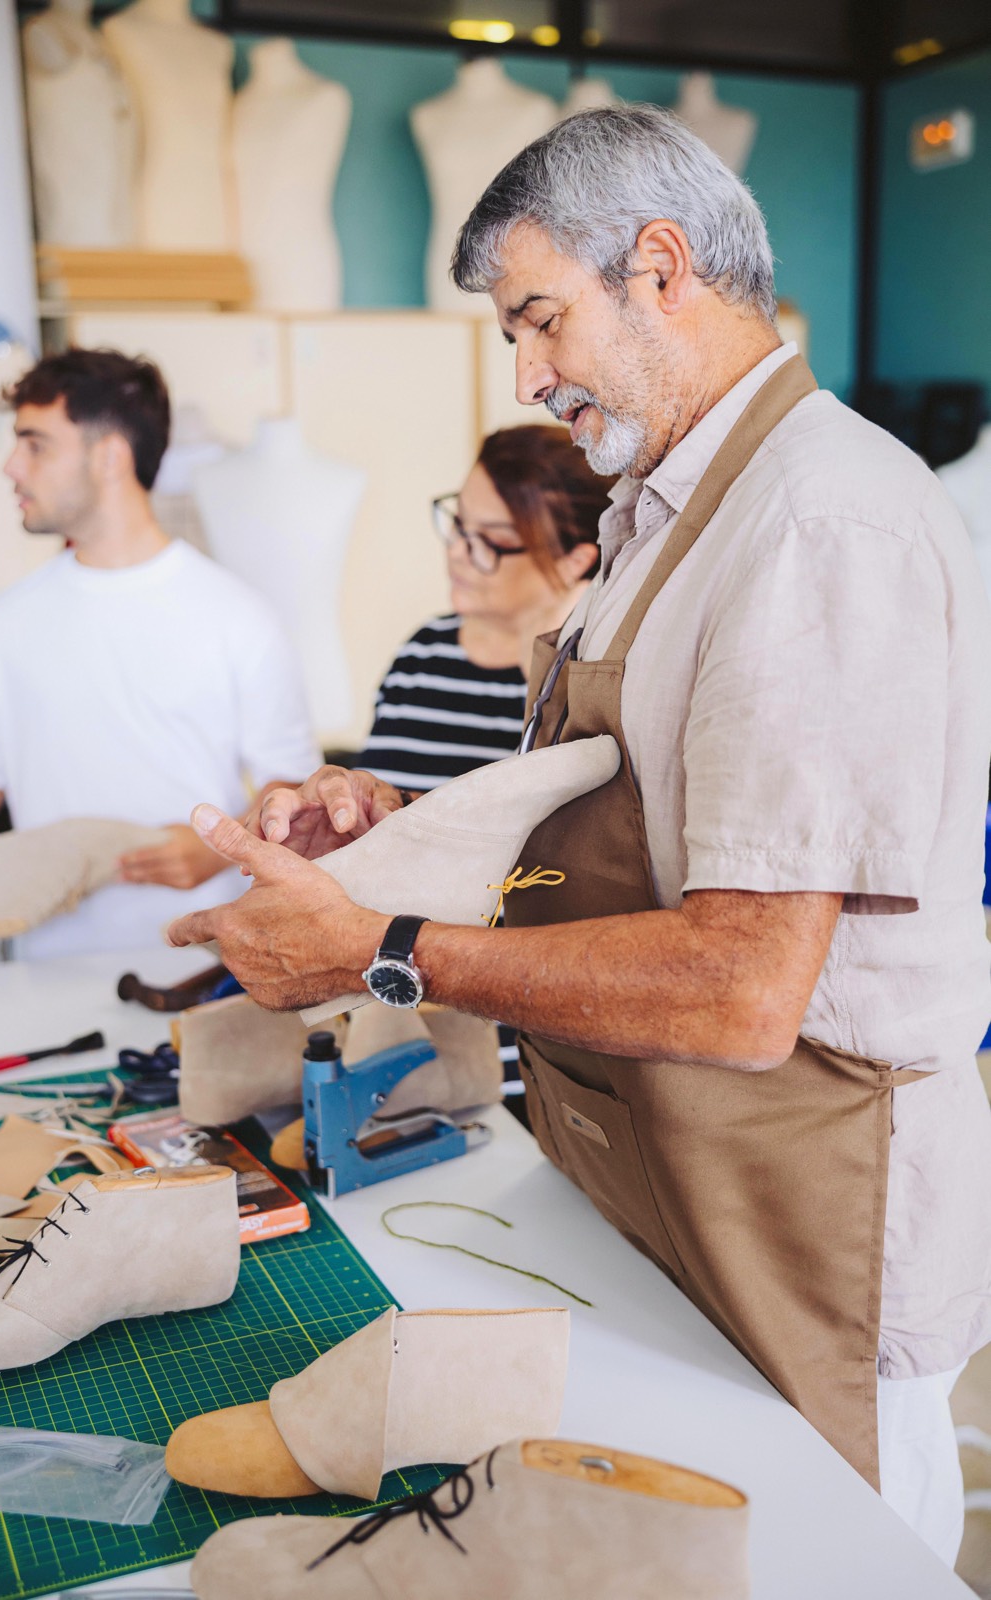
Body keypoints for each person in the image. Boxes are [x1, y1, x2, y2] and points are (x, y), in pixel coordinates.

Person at [165, 105, 991, 1566]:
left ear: (659, 268)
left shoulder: (816, 523)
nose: (527, 372)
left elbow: (743, 988)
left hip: (799, 1206)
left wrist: (384, 947)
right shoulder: (660, 517)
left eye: (537, 318)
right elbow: (611, 827)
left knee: (812, 1568)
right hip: (660, 1170)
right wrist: (397, 823)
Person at [0, 347, 319, 957]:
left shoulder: (237, 617)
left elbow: (289, 782)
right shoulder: (5, 624)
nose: (9, 466)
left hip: (200, 967)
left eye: (35, 444)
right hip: (42, 966)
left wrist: (219, 846)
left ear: (110, 456)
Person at [359, 424, 605, 793]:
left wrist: (543, 654)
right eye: (459, 523)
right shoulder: (422, 652)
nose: (457, 552)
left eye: (491, 542)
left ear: (575, 561)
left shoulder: (590, 680)